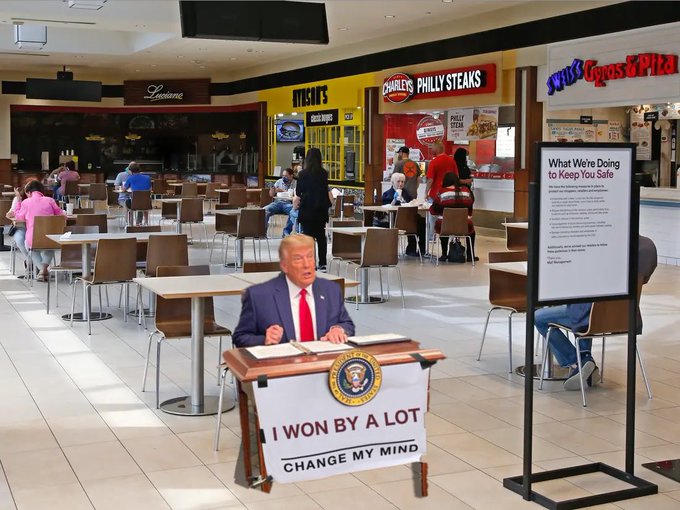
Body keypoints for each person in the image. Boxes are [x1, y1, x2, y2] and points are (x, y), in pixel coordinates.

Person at [535, 235, 658, 391]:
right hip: (627, 317)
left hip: (591, 316)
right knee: (581, 310)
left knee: (539, 317)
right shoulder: (647, 246)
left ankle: (577, 361)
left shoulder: (600, 247)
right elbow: (645, 279)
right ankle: (586, 360)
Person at [233, 234, 355, 347]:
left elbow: (347, 324)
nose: (307, 264)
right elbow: (240, 338)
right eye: (298, 259)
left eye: (310, 257)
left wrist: (338, 329)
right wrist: (264, 339)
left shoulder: (331, 290)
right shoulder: (258, 296)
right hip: (281, 366)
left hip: (324, 365)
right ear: (284, 265)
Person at [9, 180, 65, 281]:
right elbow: (61, 216)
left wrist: (18, 201)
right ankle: (43, 270)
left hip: (33, 239)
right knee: (51, 246)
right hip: (50, 238)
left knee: (29, 247)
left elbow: (19, 217)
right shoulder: (50, 200)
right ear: (41, 191)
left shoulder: (26, 202)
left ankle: (41, 271)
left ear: (29, 192)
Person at [294, 148, 332, 270]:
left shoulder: (303, 174)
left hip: (307, 210)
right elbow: (325, 190)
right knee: (321, 237)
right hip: (321, 209)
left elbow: (299, 192)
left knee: (308, 238)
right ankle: (322, 263)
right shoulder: (323, 173)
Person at [430, 172, 475, 262]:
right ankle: (470, 255)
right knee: (471, 230)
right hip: (464, 225)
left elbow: (434, 209)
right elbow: (470, 207)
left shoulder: (442, 192)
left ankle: (444, 254)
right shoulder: (466, 191)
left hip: (445, 225)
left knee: (442, 223)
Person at [5, 185, 30, 276]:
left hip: (35, 228)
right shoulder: (18, 199)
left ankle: (34, 262)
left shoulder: (40, 201)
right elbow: (11, 212)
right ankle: (30, 260)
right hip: (21, 227)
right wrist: (11, 213)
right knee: (20, 240)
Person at [265, 168, 296, 236]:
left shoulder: (295, 183)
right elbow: (271, 195)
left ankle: (286, 232)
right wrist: (272, 189)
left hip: (289, 204)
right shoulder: (279, 181)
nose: (284, 178)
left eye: (286, 176)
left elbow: (296, 195)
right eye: (283, 176)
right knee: (265, 210)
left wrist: (282, 190)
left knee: (294, 212)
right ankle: (262, 231)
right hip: (277, 203)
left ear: (291, 176)